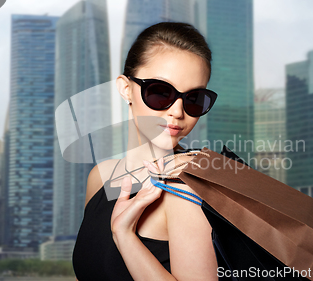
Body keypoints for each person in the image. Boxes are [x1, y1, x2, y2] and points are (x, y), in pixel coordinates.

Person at [72, 22, 219, 281]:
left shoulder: (186, 191)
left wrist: (124, 235)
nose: (177, 111)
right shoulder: (100, 177)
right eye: (161, 92)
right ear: (126, 88)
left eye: (194, 98)